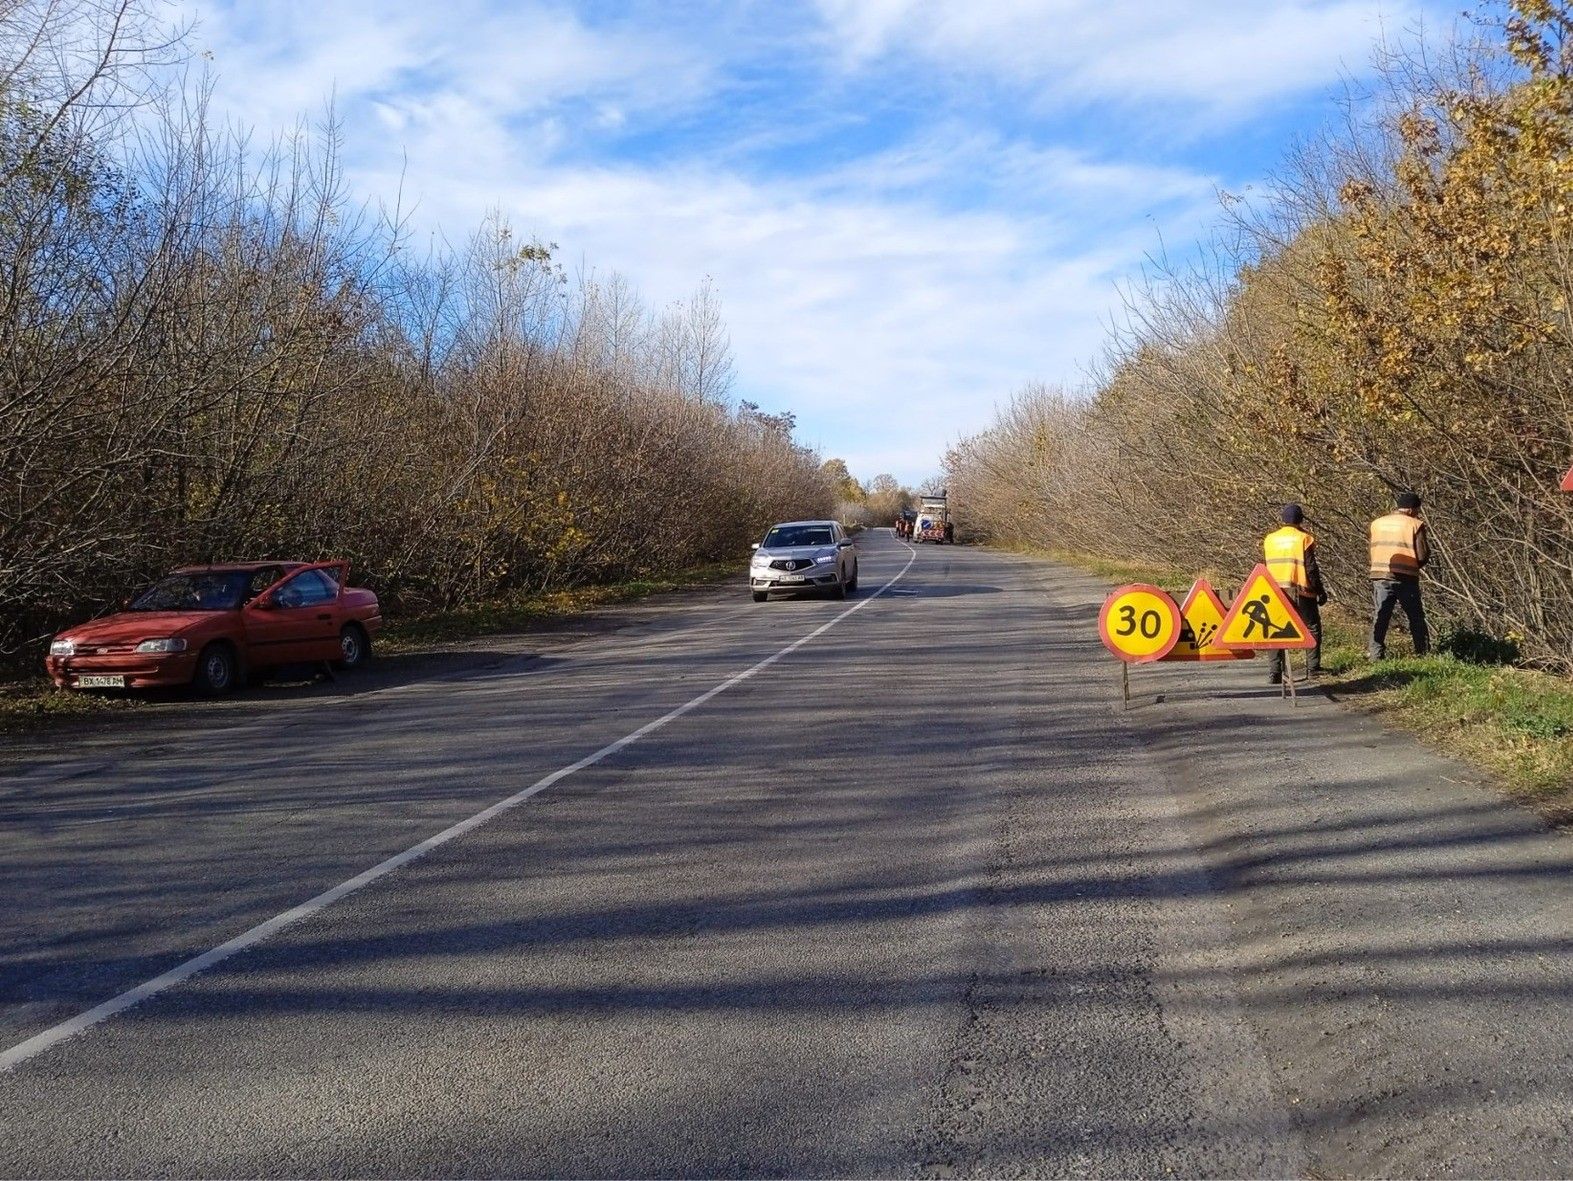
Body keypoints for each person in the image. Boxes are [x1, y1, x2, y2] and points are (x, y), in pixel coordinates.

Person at [1263, 503, 1325, 684]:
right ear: (1300, 519)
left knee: (1275, 629)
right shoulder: (1304, 538)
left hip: (1276, 591)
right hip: (1300, 590)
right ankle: (1313, 669)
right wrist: (1319, 591)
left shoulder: (1270, 539)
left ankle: (1275, 672)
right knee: (1312, 627)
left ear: (1282, 519)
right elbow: (1311, 568)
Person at [1369, 490, 1430, 660]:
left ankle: (1375, 654)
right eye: (1417, 510)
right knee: (1416, 617)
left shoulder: (1377, 523)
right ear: (1411, 509)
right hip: (1406, 577)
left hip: (1380, 574)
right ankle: (1423, 653)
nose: (1417, 513)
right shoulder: (1415, 524)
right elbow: (1422, 555)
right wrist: (1415, 566)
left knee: (1380, 616)